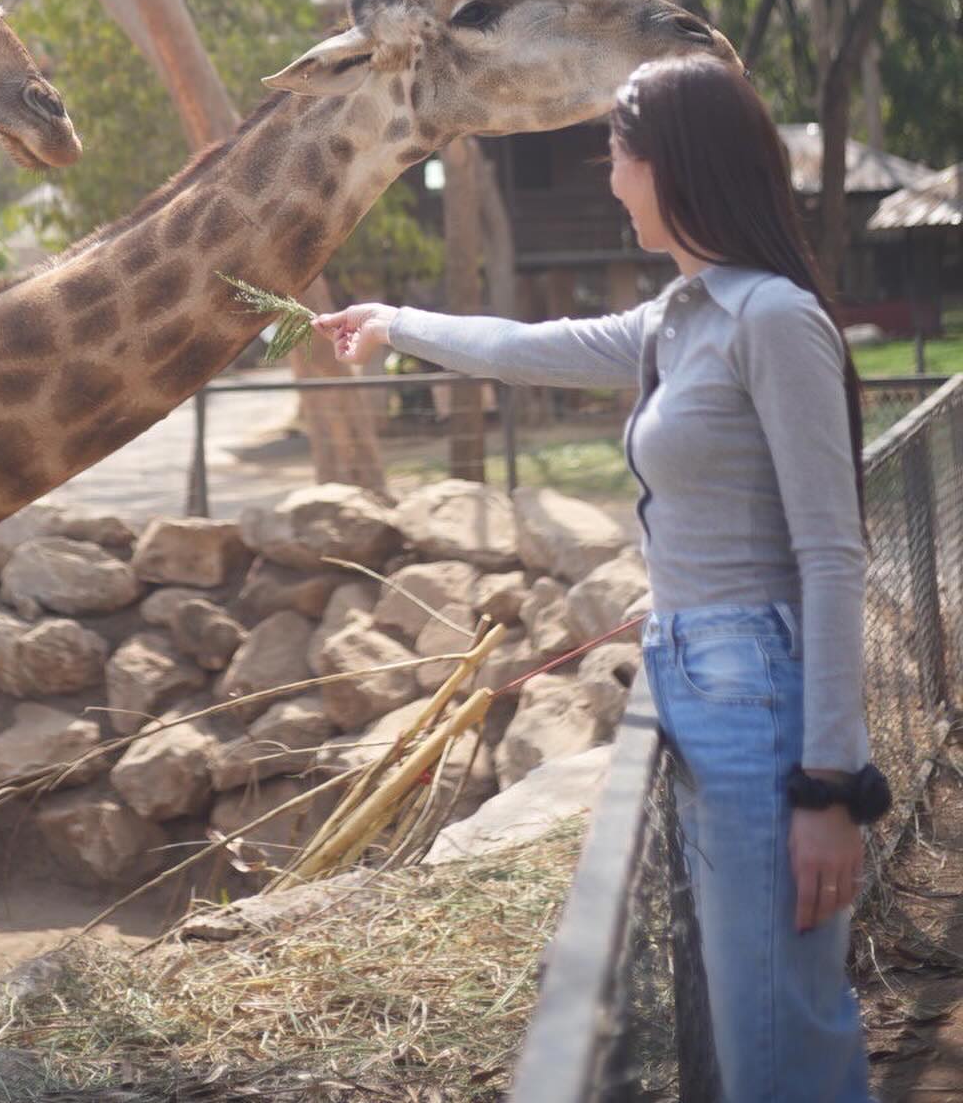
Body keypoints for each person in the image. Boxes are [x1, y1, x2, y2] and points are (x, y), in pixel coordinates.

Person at [314, 55, 888, 1103]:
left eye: (618, 158)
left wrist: (830, 787)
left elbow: (832, 552)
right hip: (697, 676)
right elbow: (527, 345)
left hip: (758, 693)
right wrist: (394, 324)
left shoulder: (772, 320)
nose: (610, 181)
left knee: (776, 1030)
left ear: (674, 166)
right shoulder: (682, 317)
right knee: (755, 1011)